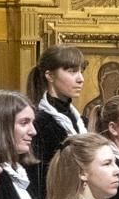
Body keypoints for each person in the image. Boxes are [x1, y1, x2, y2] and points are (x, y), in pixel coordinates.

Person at [27, 45, 87, 190]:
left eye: (81, 71)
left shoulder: (81, 121)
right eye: (72, 71)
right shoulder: (38, 123)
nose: (81, 79)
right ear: (50, 75)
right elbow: (38, 179)